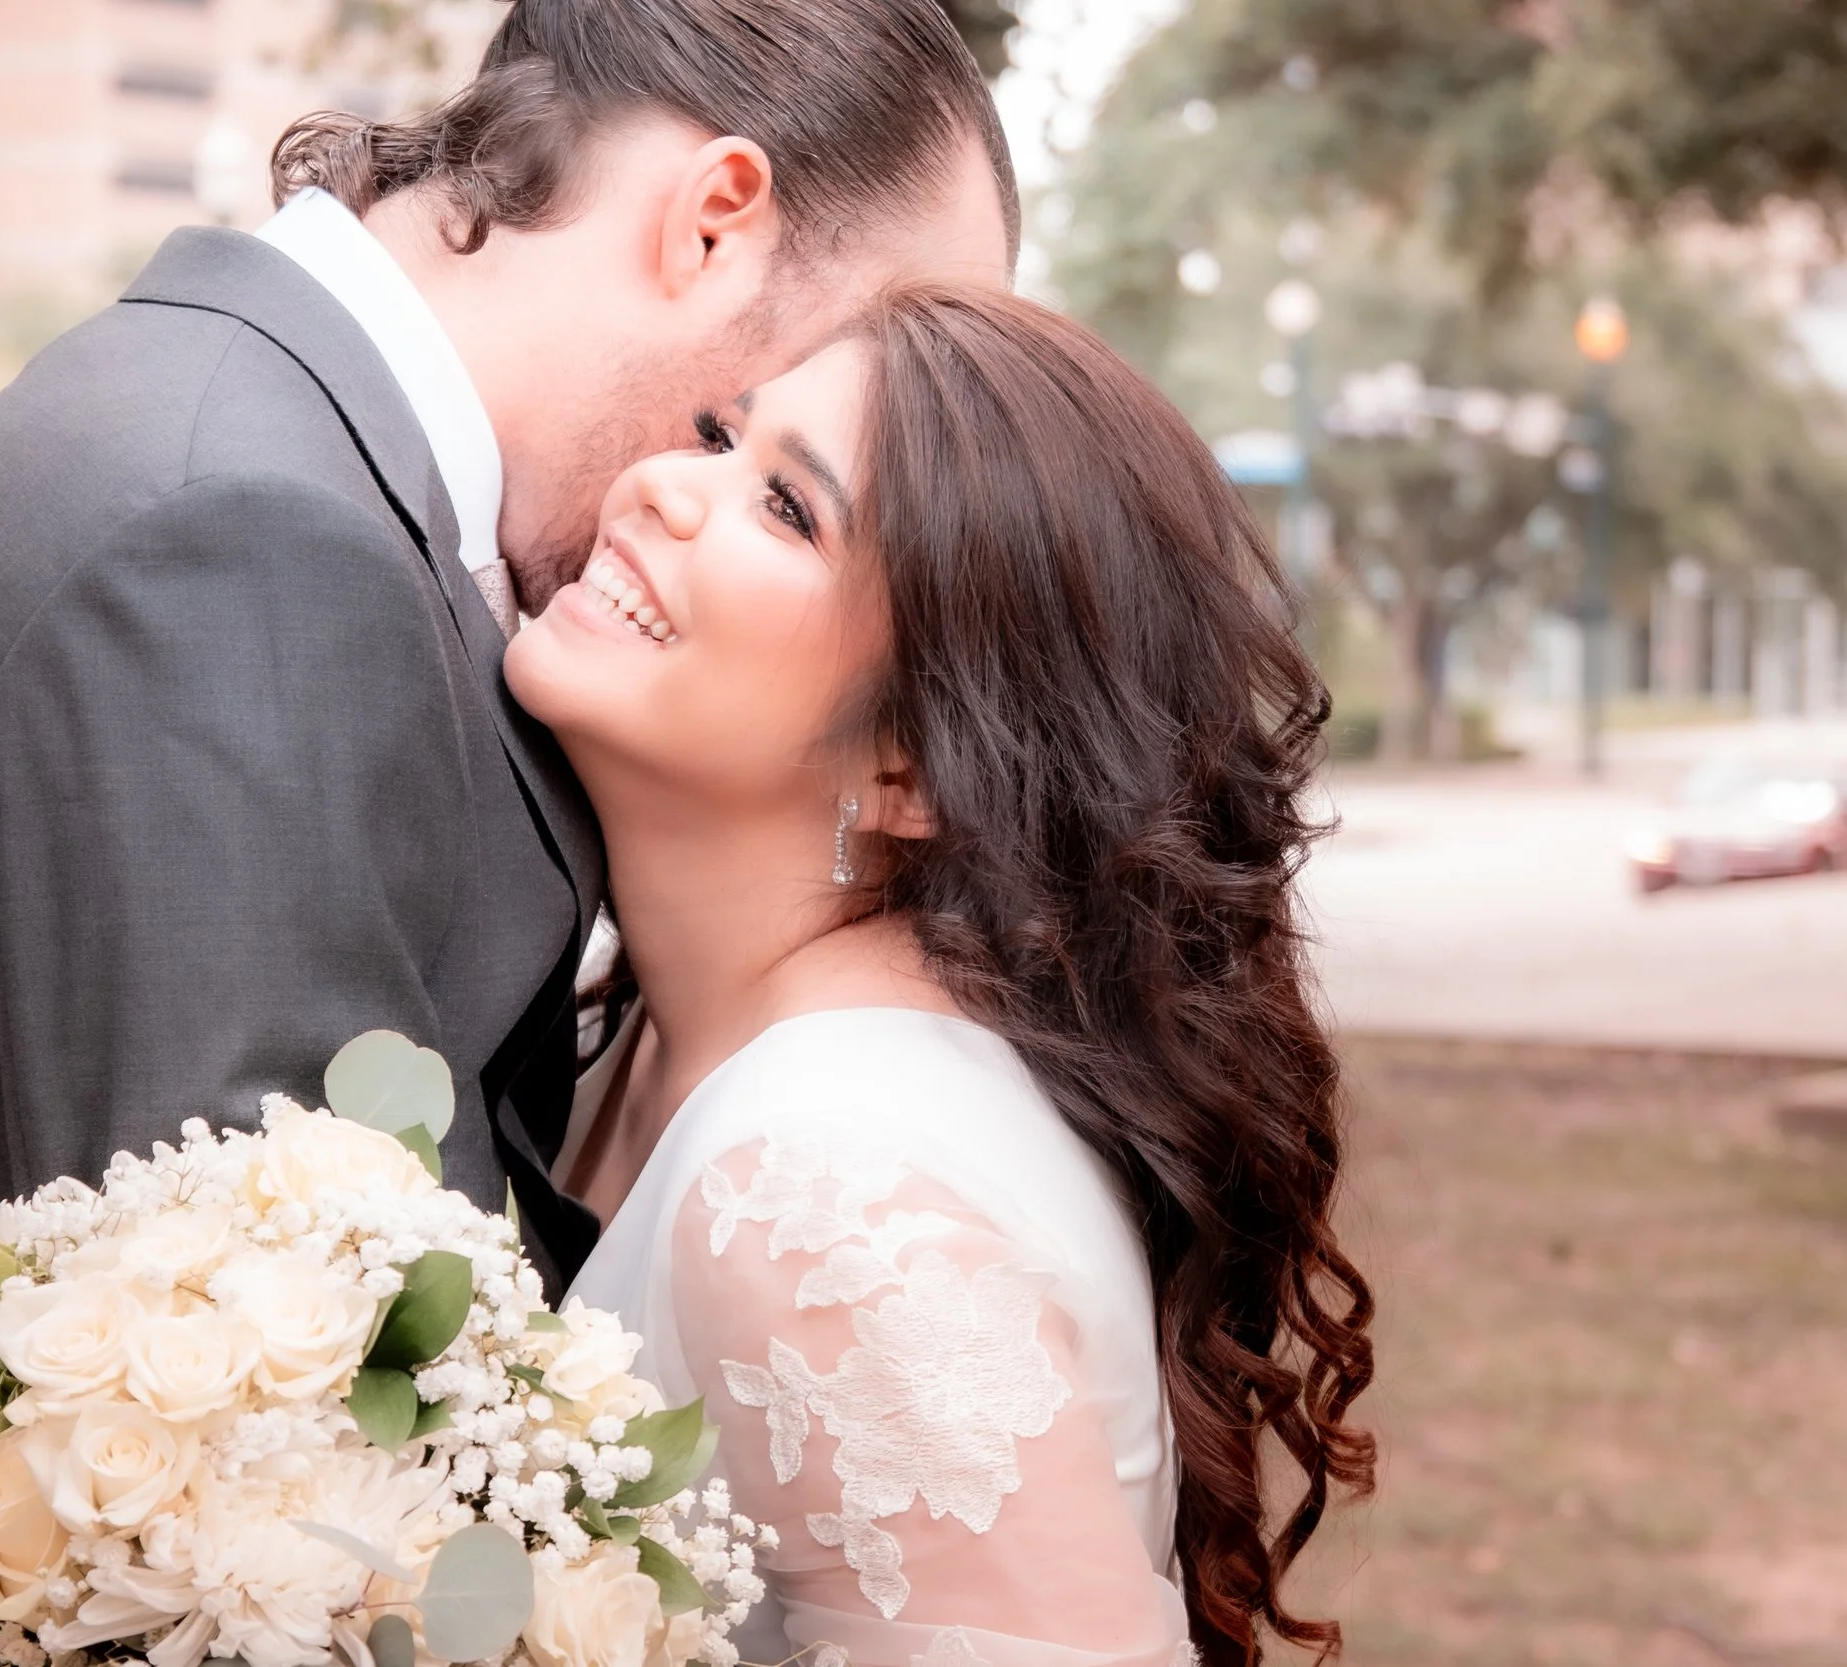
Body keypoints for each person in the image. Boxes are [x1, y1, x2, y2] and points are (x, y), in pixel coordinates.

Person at [0, 2, 1016, 1656]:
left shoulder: (265, 458)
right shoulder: (239, 541)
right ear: (714, 217)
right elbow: (264, 1515)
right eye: (849, 354)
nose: (864, 420)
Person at [512, 287, 1378, 1664]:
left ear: (911, 768)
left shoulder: (834, 1187)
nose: (666, 489)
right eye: (722, 434)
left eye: (787, 508)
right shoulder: (657, 1030)